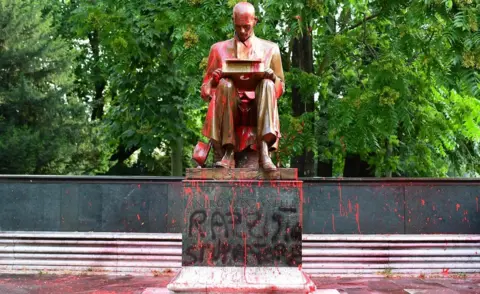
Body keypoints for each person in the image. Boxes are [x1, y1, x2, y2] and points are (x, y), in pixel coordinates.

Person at [200, 2, 285, 171]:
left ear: (255, 21)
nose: (243, 31)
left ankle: (264, 152)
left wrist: (273, 78)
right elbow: (205, 91)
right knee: (225, 84)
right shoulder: (218, 49)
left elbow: (280, 87)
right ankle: (228, 152)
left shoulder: (271, 49)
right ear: (233, 21)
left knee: (267, 84)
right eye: (238, 26)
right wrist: (214, 81)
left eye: (247, 26)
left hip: (259, 107)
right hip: (229, 108)